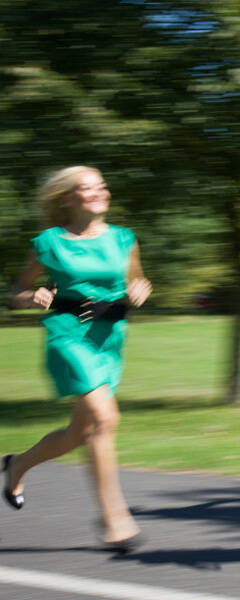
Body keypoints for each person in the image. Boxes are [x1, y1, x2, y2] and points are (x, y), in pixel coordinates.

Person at [3, 166, 151, 552]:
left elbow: (135, 281)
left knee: (79, 434)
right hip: (68, 336)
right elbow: (16, 292)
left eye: (103, 185)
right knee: (105, 419)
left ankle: (17, 465)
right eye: (88, 188)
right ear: (67, 198)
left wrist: (140, 290)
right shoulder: (48, 243)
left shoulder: (124, 239)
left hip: (110, 338)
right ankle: (114, 519)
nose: (100, 192)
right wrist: (30, 297)